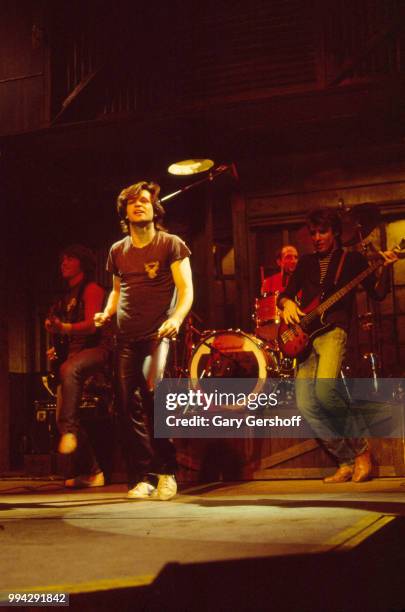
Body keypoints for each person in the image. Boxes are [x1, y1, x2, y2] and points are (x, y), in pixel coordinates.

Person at [278, 208, 397, 483]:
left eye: (322, 232)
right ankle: (344, 461)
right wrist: (286, 304)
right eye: (313, 233)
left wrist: (387, 268)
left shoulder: (351, 260)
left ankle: (362, 451)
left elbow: (378, 294)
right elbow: (284, 294)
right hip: (304, 336)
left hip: (333, 331)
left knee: (324, 390)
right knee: (305, 403)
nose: (317, 238)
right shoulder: (306, 262)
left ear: (334, 233)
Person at [95, 180, 193, 501]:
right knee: (126, 406)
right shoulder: (117, 251)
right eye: (133, 202)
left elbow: (187, 289)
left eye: (146, 202)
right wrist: (106, 313)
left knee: (153, 398)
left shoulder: (171, 244)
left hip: (156, 334)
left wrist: (176, 318)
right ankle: (145, 476)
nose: (140, 205)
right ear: (124, 211)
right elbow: (116, 290)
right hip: (125, 337)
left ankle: (168, 472)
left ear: (154, 209)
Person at [45, 244, 110, 488]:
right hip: (72, 358)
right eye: (62, 260)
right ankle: (94, 472)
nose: (63, 264)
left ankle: (75, 440)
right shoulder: (66, 297)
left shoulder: (91, 289)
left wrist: (65, 328)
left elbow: (93, 326)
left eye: (68, 259)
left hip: (97, 352)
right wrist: (56, 339)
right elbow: (67, 334)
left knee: (69, 372)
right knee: (63, 420)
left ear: (81, 263)